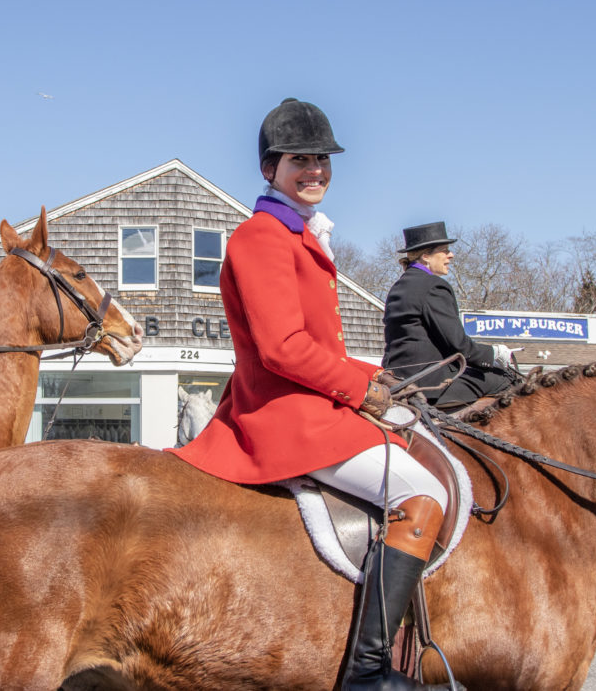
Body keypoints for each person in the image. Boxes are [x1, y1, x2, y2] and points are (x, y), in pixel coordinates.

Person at [173, 99, 457, 691]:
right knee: (424, 493)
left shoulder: (296, 233)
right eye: (301, 159)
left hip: (313, 403)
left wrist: (375, 376)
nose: (316, 170)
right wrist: (358, 386)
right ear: (270, 168)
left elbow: (318, 342)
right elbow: (281, 347)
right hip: (286, 418)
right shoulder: (262, 236)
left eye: (323, 159)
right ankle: (367, 669)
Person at [381, 222, 520, 408]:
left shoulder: (399, 286)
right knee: (507, 380)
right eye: (445, 251)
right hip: (429, 382)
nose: (451, 255)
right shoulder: (433, 286)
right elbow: (459, 346)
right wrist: (495, 354)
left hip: (397, 378)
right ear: (425, 256)